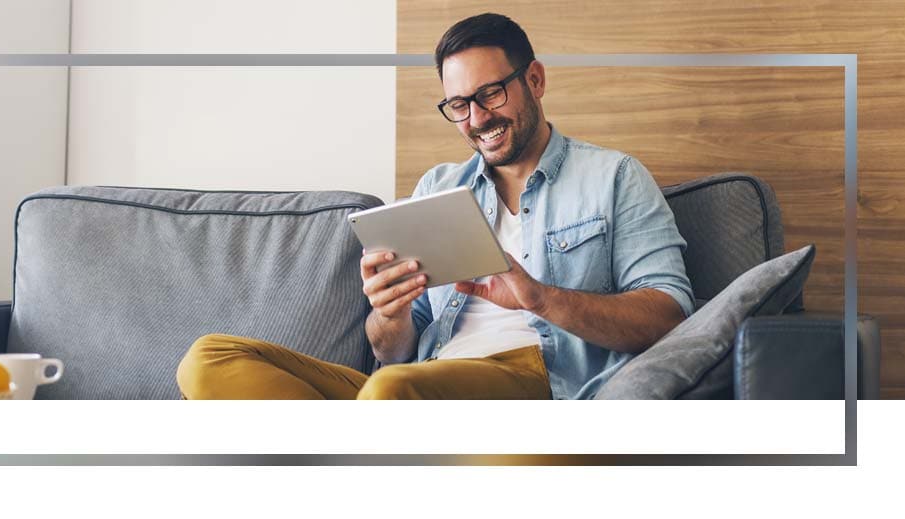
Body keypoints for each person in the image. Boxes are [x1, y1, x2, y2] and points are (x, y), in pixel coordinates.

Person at [175, 12, 694, 400]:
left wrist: (539, 298)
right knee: (209, 360)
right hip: (419, 379)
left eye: (491, 94)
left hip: (538, 380)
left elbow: (670, 316)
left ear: (534, 80)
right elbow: (391, 351)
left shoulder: (614, 177)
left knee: (390, 394)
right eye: (459, 105)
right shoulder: (440, 187)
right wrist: (389, 312)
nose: (477, 119)